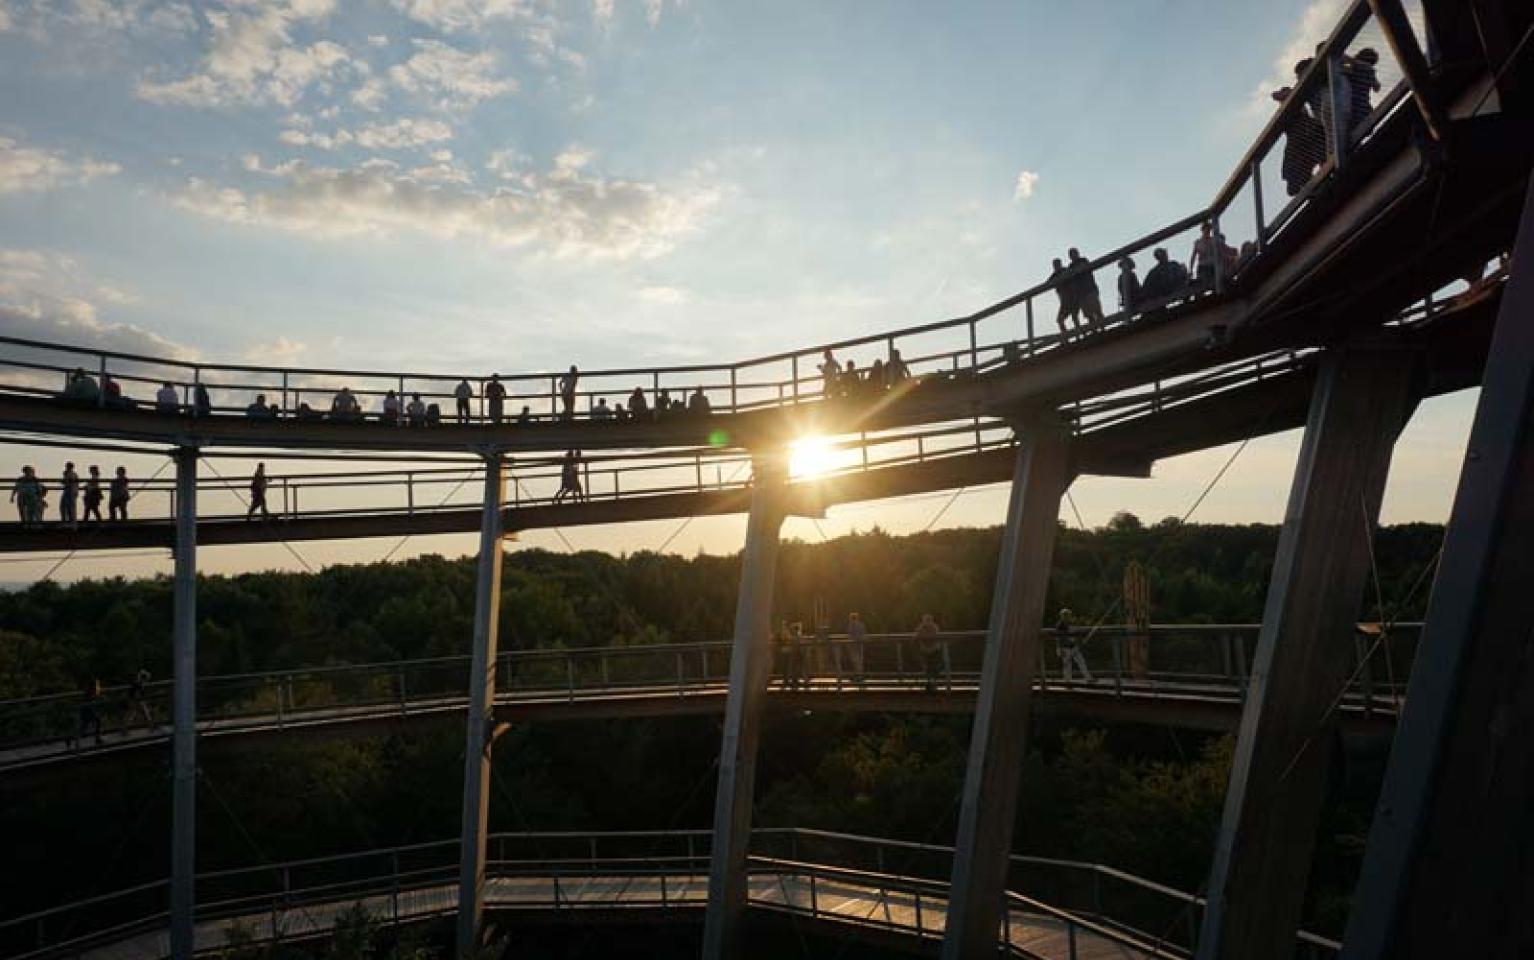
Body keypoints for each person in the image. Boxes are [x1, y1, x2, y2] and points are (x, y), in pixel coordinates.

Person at [1344, 48, 1380, 134]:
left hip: (1353, 106)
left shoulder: (1358, 65)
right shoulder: (1369, 70)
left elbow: (1346, 59)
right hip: (1363, 107)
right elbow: (1377, 87)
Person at [1068, 248, 1105, 325]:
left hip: (1090, 289)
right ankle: (1094, 330)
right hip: (1081, 293)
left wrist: (1077, 271)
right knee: (1088, 315)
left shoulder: (1083, 260)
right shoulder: (1070, 267)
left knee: (1097, 311)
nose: (1074, 255)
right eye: (1072, 254)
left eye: (1075, 253)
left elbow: (1086, 268)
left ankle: (1103, 327)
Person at [1055, 607, 1091, 683]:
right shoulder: (1060, 625)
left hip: (1073, 646)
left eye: (1068, 615)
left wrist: (1079, 641)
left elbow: (1076, 633)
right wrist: (1059, 649)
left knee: (1081, 661)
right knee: (1067, 666)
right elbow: (1058, 638)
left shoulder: (1071, 623)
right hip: (1065, 648)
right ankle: (1067, 681)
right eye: (1065, 615)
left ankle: (1088, 678)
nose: (1067, 617)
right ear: (1062, 616)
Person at [68, 679, 103, 749]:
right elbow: (88, 702)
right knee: (84, 728)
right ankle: (72, 740)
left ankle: (71, 739)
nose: (97, 687)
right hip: (87, 711)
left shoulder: (91, 692)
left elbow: (93, 699)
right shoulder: (89, 692)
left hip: (88, 711)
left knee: (88, 725)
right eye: (96, 685)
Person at [1050, 257, 1080, 334]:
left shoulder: (1066, 271)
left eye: (1057, 264)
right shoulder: (1054, 276)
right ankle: (1066, 336)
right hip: (1064, 302)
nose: (1056, 266)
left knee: (1074, 317)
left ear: (1060, 264)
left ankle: (1080, 334)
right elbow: (1047, 284)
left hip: (1072, 298)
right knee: (1060, 320)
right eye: (1055, 265)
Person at [914, 613, 942, 692]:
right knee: (928, 668)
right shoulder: (921, 628)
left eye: (929, 620)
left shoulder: (934, 628)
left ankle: (932, 683)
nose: (927, 622)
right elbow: (916, 636)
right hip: (925, 651)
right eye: (926, 620)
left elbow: (935, 635)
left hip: (934, 650)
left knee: (933, 667)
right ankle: (930, 683)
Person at [1189, 221, 1223, 287]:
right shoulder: (1198, 243)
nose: (1208, 231)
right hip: (1203, 267)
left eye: (1209, 230)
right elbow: (1193, 257)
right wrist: (1190, 269)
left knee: (1215, 283)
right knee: (1201, 285)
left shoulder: (1213, 240)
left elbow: (1220, 252)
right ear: (1203, 230)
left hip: (1212, 266)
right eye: (1206, 229)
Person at [846, 612, 867, 686]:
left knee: (856, 661)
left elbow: (850, 635)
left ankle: (858, 676)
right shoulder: (861, 625)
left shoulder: (851, 626)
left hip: (854, 645)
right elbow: (863, 634)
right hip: (860, 644)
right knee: (859, 661)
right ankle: (859, 676)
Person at [778, 620, 800, 690]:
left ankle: (789, 680)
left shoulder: (786, 632)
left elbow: (785, 640)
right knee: (789, 667)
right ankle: (789, 680)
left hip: (787, 651)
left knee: (788, 667)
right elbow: (786, 640)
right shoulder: (787, 632)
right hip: (788, 651)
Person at [59, 462, 79, 527]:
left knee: (69, 508)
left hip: (70, 492)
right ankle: (68, 522)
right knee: (65, 507)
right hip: (69, 491)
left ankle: (71, 523)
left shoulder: (72, 474)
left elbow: (69, 482)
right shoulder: (70, 474)